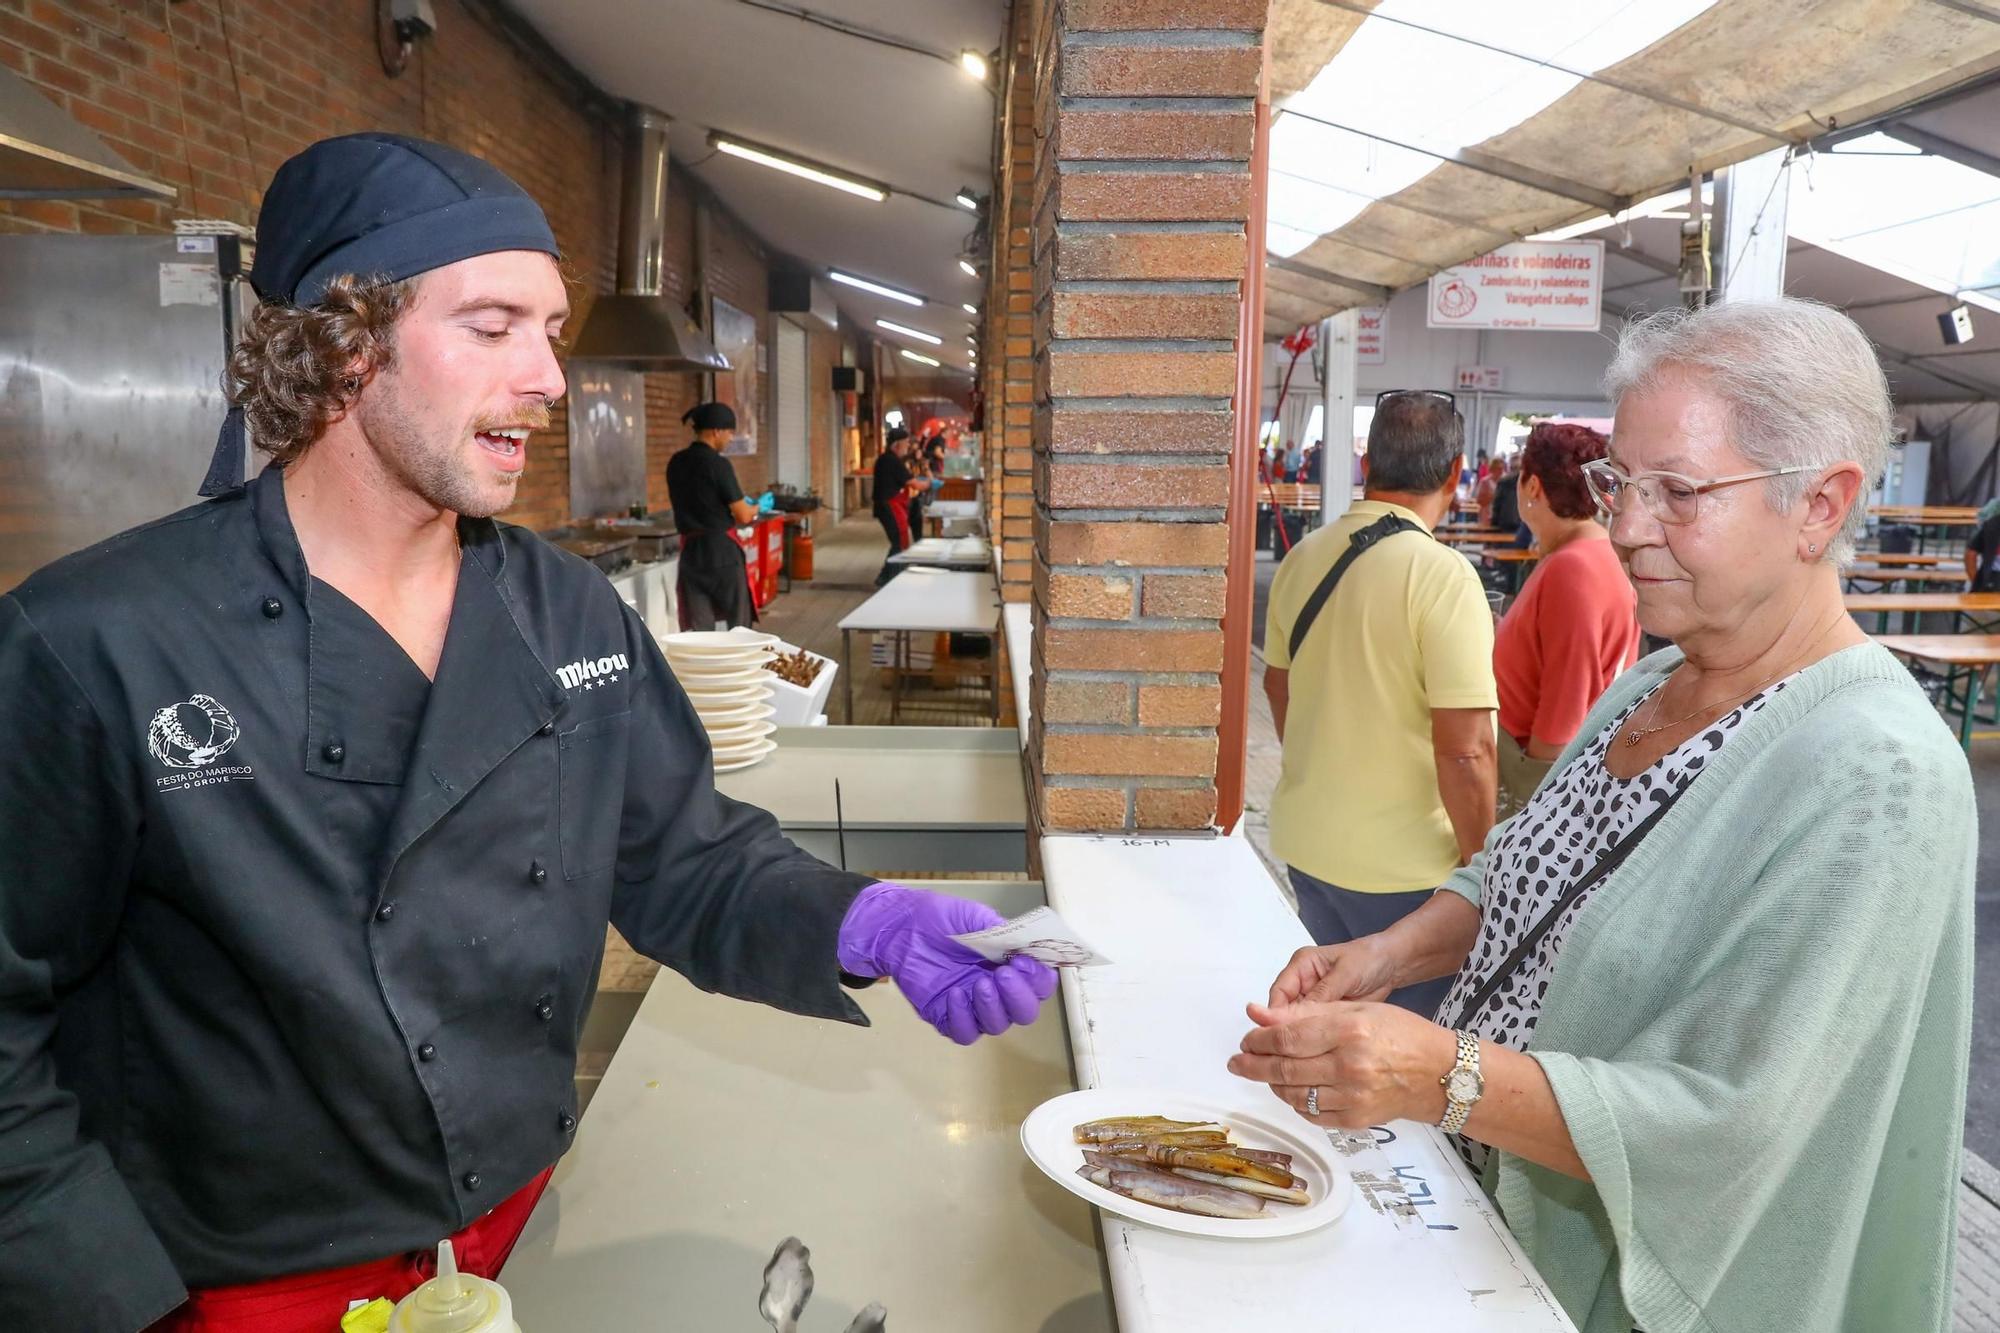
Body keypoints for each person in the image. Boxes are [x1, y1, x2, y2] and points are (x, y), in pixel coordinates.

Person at [0, 133, 1056, 1333]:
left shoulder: (564, 610)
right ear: (346, 345)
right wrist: (106, 1303)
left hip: (511, 1229)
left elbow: (683, 858)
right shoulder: (96, 640)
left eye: (548, 331)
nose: (550, 380)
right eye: (493, 325)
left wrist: (859, 920)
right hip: (232, 1284)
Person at [1231, 298, 1972, 1333]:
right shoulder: (1650, 683)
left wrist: (1437, 1073)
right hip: (1489, 1230)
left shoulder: (1873, 772)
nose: (1625, 526)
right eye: (1622, 483)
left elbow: (1733, 1119)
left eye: (1679, 493)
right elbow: (1520, 870)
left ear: (1819, 505)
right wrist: (1389, 954)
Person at [1261, 389, 1498, 1015]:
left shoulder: (1302, 557)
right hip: (1408, 874)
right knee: (1407, 1053)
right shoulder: (1444, 576)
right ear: (1454, 473)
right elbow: (1467, 751)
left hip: (1309, 846)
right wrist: (1485, 873)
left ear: (1369, 464)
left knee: (1332, 1021)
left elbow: (1277, 687)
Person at [1491, 422, 1640, 816]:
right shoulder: (1588, 554)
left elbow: (1564, 705)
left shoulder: (1572, 569)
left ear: (1533, 486)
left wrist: (1531, 806)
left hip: (1533, 769)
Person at [666, 401, 757, 629]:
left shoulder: (676, 462)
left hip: (691, 555)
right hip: (722, 554)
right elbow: (744, 515)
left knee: (700, 629)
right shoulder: (718, 464)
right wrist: (758, 507)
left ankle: (703, 664)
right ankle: (739, 663)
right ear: (716, 431)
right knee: (739, 625)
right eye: (729, 433)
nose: (729, 439)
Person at [871, 425, 917, 586]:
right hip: (889, 506)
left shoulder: (886, 459)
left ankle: (887, 576)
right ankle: (889, 577)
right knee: (899, 541)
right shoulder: (892, 461)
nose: (908, 446)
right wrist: (931, 484)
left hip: (886, 506)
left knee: (898, 542)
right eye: (906, 443)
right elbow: (913, 483)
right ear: (896, 444)